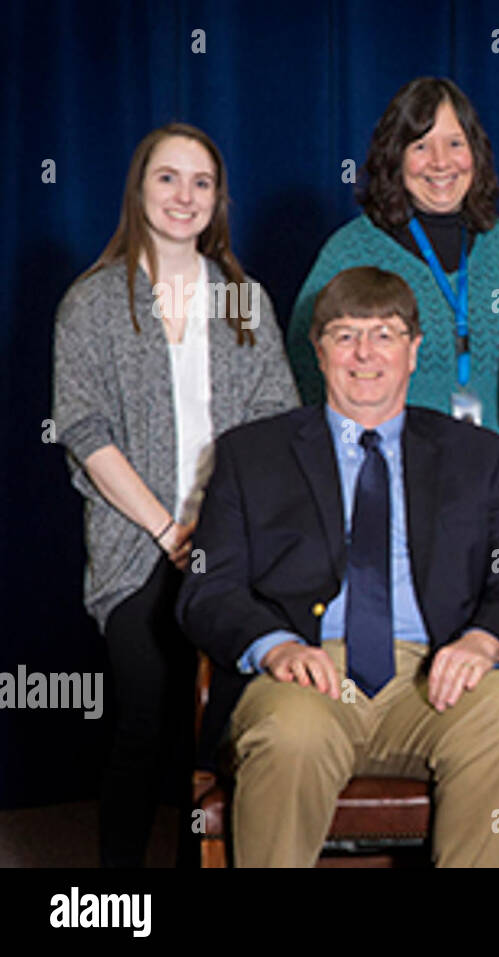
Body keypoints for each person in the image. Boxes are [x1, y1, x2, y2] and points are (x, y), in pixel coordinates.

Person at [178, 266, 499, 867]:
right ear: (318, 350)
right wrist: (276, 647)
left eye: (385, 334)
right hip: (305, 675)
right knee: (291, 734)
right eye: (346, 335)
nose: (365, 353)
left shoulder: (476, 455)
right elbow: (208, 589)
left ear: (414, 350)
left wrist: (482, 644)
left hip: (435, 675)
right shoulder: (253, 453)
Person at [51, 123, 299, 867]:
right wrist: (168, 529)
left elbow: (276, 420)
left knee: (229, 721)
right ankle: (115, 896)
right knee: (142, 717)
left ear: (219, 199)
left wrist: (217, 528)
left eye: (201, 182)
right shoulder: (92, 303)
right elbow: (84, 430)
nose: (184, 195)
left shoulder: (244, 299)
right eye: (168, 178)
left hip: (233, 542)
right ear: (139, 189)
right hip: (137, 545)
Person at [285, 77, 499, 474]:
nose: (441, 161)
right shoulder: (350, 253)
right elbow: (304, 370)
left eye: (455, 143)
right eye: (421, 146)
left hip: (497, 488)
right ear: (396, 156)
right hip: (385, 488)